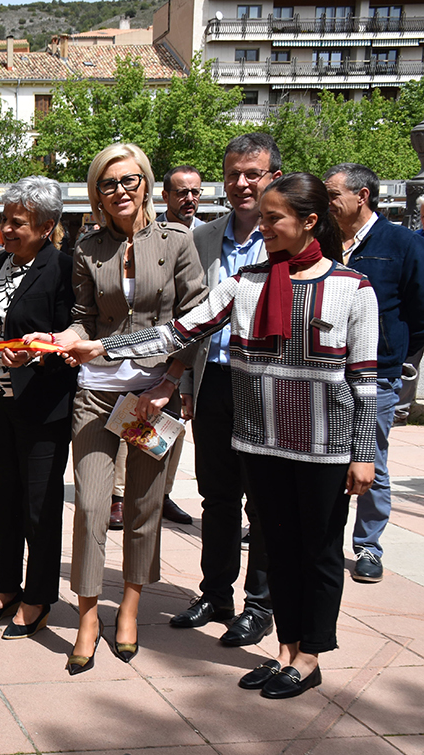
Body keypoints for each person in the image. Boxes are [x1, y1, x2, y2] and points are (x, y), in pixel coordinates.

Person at [58, 173, 377, 699]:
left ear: (310, 222)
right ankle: (284, 653)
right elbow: (175, 332)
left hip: (324, 447)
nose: (263, 226)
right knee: (276, 546)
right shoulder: (243, 284)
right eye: (263, 217)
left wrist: (363, 454)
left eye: (274, 218)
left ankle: (310, 655)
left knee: (316, 551)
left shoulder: (351, 288)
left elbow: (364, 381)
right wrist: (104, 349)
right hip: (259, 443)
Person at [42, 143, 207, 674]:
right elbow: (83, 320)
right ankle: (88, 614)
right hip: (96, 391)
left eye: (129, 180)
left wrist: (174, 380)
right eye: (108, 183)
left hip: (153, 395)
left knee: (143, 506)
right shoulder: (88, 248)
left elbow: (196, 319)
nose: (119, 191)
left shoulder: (177, 243)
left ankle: (130, 607)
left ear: (146, 184)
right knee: (92, 505)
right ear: (97, 193)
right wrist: (59, 338)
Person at [173, 133, 281, 647]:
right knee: (216, 498)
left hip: (270, 388)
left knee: (262, 502)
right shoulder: (204, 237)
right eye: (233, 173)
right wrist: (188, 382)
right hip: (215, 381)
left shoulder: (290, 238)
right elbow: (191, 319)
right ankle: (216, 594)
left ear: (272, 179)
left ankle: (260, 605)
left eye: (252, 174)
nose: (241, 183)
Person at [0, 176, 75, 641]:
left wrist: (37, 354)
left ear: (46, 227)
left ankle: (38, 595)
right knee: (2, 499)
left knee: (39, 505)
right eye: (4, 220)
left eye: (18, 223)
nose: (5, 230)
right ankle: (6, 586)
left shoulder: (64, 269)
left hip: (42, 405)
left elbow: (71, 341)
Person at [325, 163, 424, 583]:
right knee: (325, 460)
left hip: (377, 376)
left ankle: (368, 546)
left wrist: (397, 353)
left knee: (372, 462)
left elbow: (419, 309)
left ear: (361, 196)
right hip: (324, 371)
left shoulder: (400, 242)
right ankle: (321, 535)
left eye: (332, 194)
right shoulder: (323, 241)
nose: (325, 202)